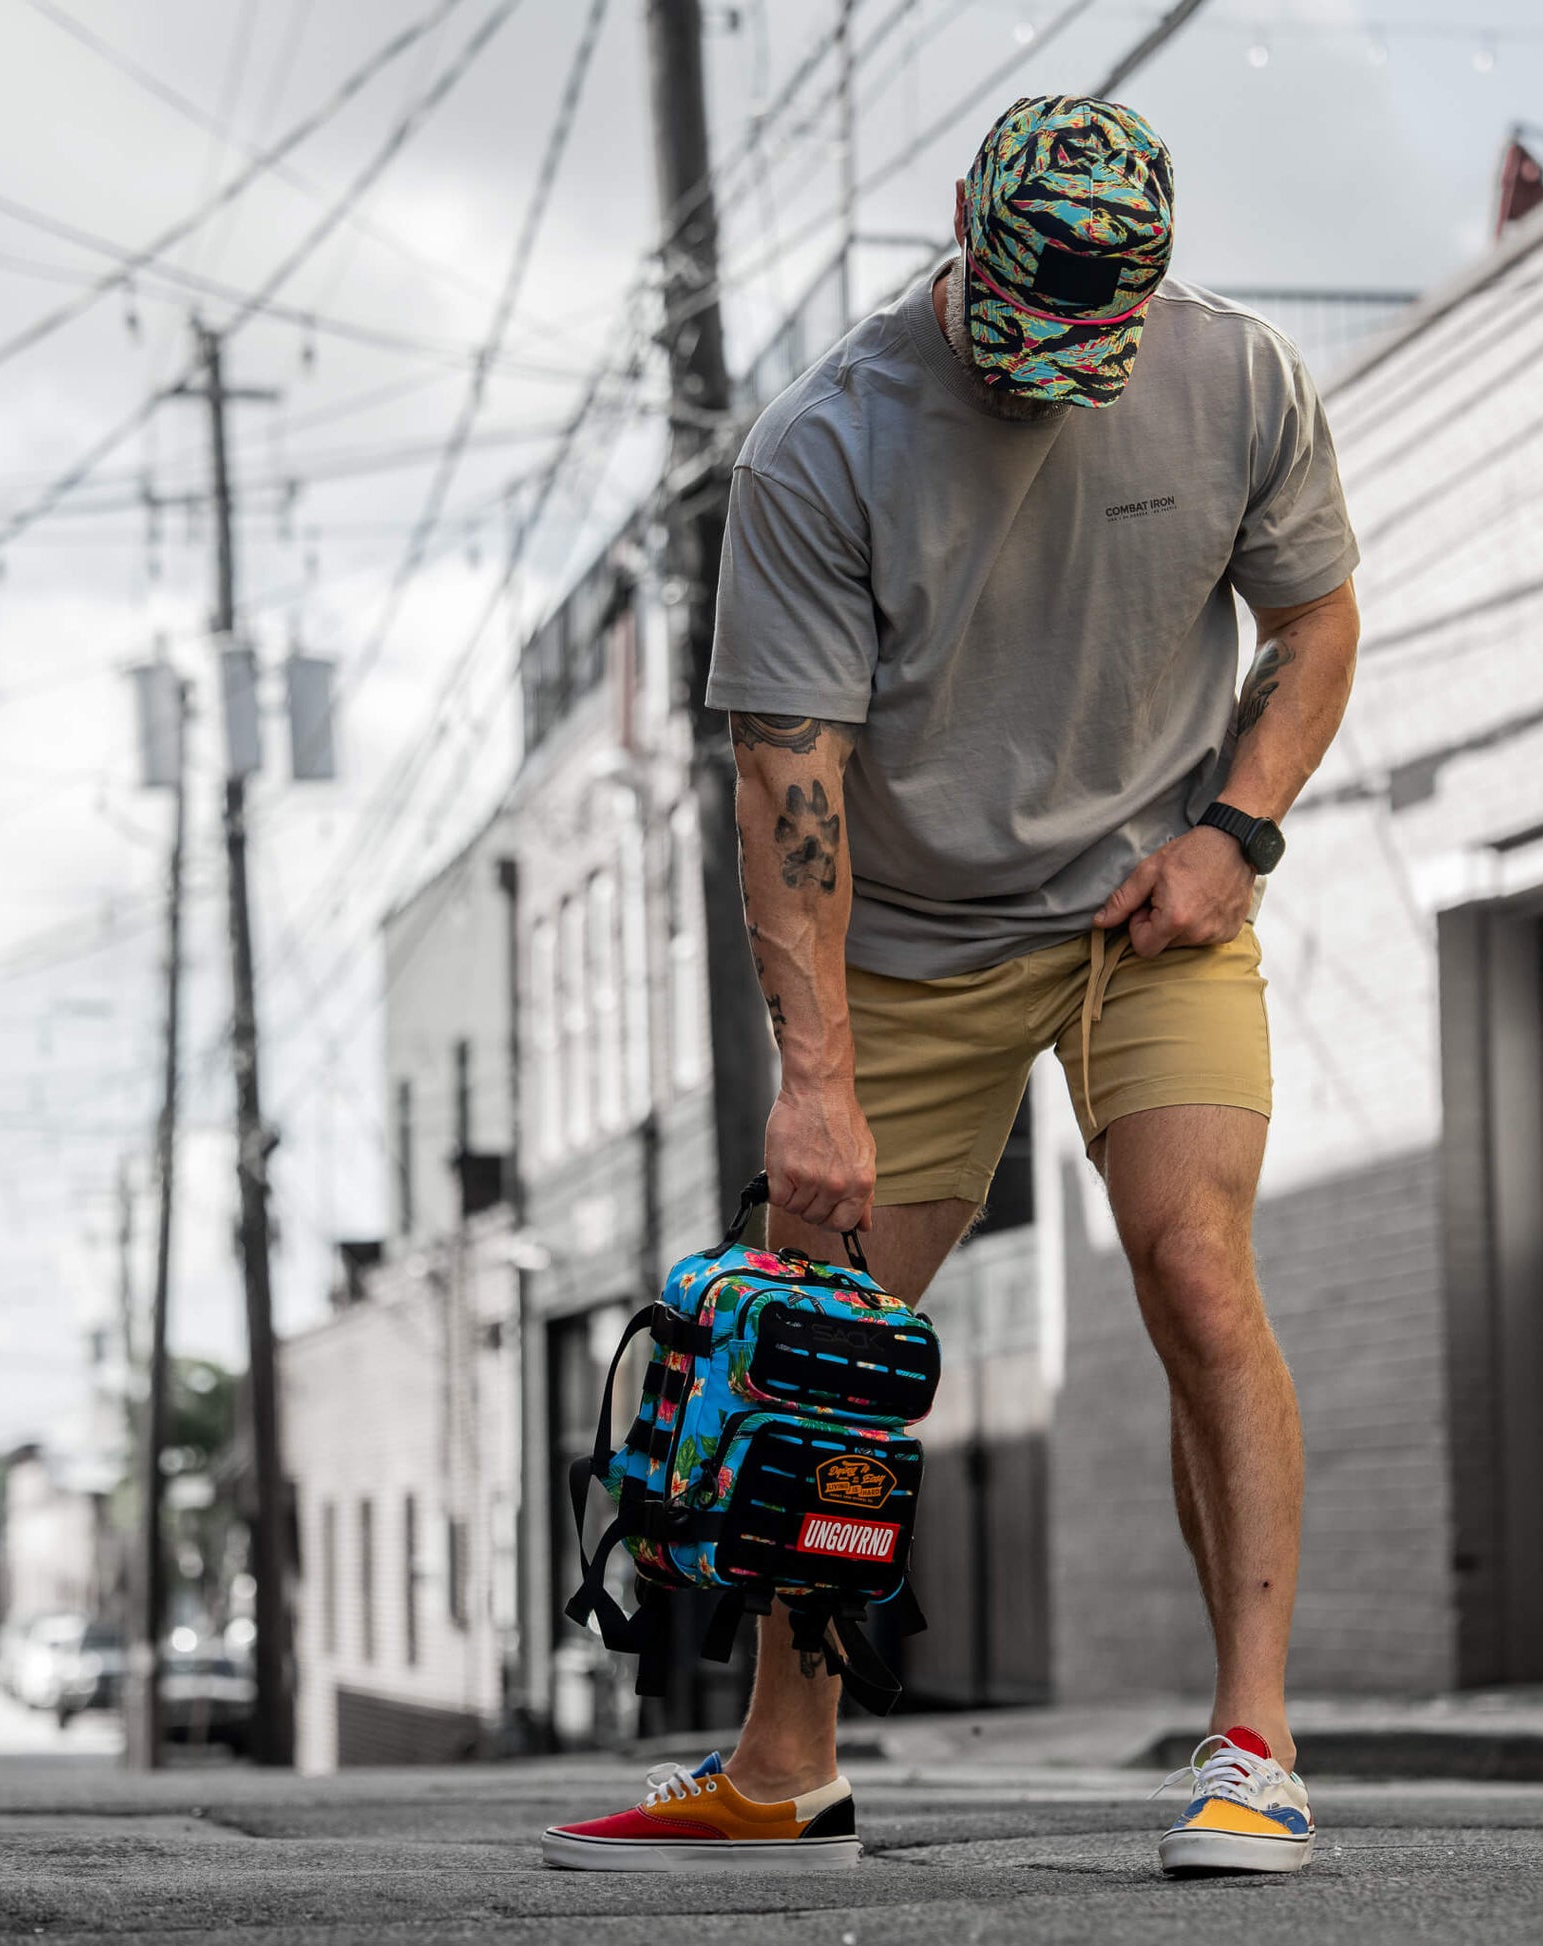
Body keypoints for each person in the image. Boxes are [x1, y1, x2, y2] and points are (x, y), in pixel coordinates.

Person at [544, 94, 1359, 1878]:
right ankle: (784, 1766)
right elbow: (788, 789)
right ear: (967, 245)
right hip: (910, 942)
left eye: (1089, 344)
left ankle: (1252, 1748)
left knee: (1194, 1266)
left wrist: (1234, 831)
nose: (1049, 374)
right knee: (815, 1350)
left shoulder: (1236, 379)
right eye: (1020, 331)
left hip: (1148, 916)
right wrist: (816, 1078)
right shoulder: (822, 451)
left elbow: (1313, 621)